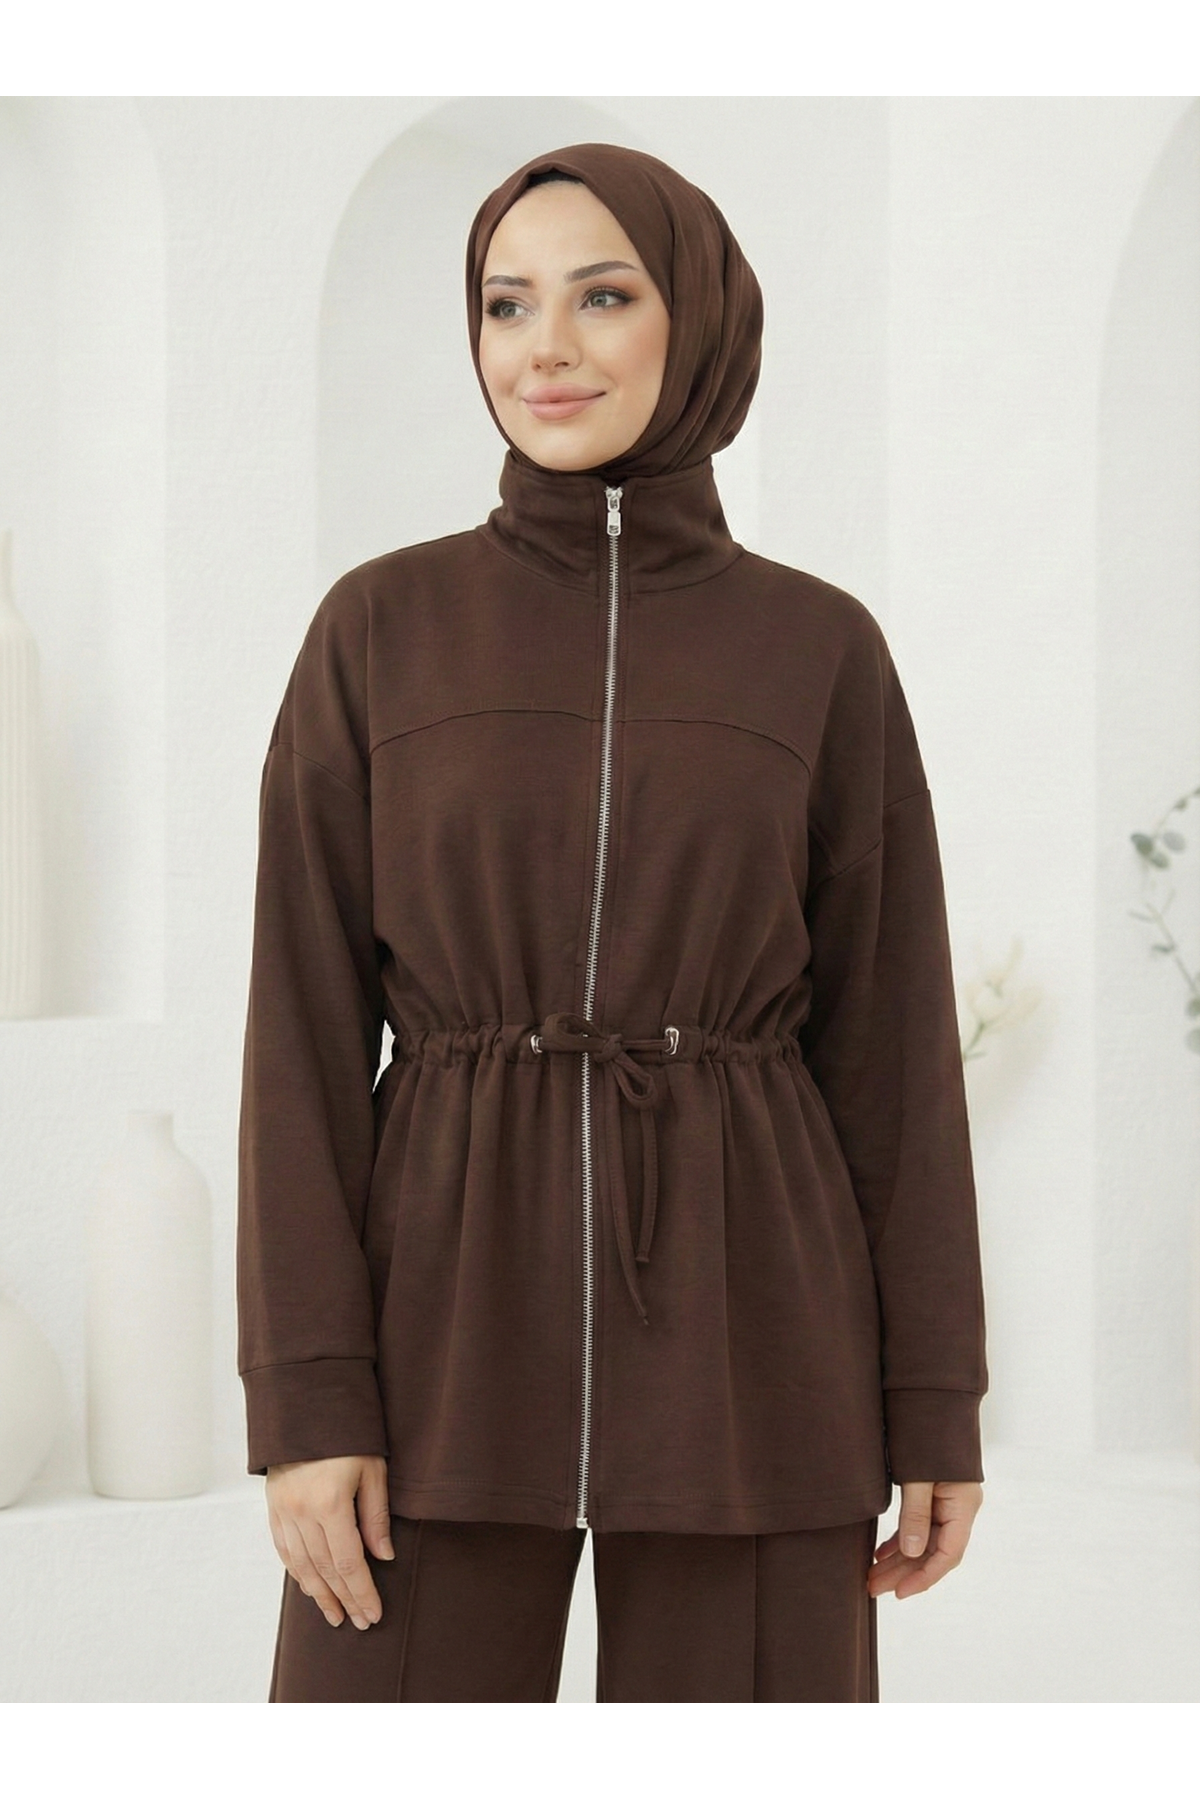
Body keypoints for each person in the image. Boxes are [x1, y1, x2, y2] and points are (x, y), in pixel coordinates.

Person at [237, 142, 986, 1705]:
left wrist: (934, 1400)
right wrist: (307, 1401)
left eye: (602, 296)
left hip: (753, 1322)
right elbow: (298, 1041)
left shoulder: (820, 650)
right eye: (507, 304)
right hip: (442, 1316)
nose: (545, 349)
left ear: (693, 319)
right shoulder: (379, 629)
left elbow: (894, 1052)